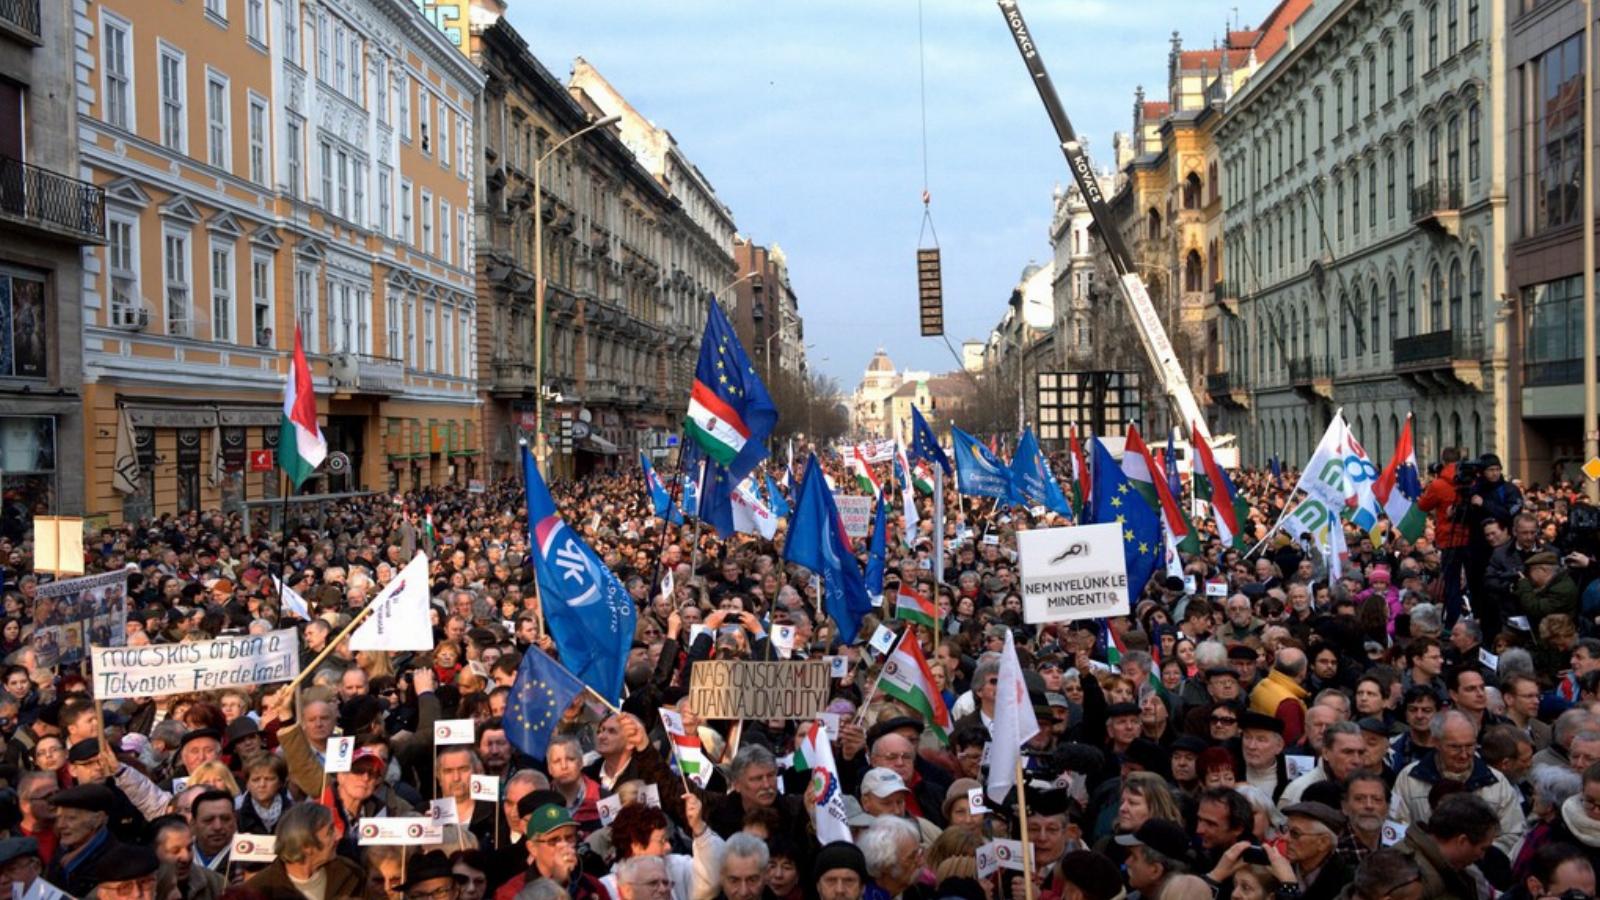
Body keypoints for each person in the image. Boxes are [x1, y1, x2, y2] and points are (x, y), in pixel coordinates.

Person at [243, 801, 381, 899]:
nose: (339, 835)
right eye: (330, 831)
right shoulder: (258, 890)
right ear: (306, 846)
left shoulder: (351, 875)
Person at [1392, 794, 1501, 900]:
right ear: (1462, 841)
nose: (1482, 856)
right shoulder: (1407, 874)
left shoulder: (1458, 871)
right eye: (1483, 849)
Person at [44, 783, 129, 898]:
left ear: (98, 819)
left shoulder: (117, 862)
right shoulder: (62, 852)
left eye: (71, 818)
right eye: (59, 818)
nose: (61, 825)